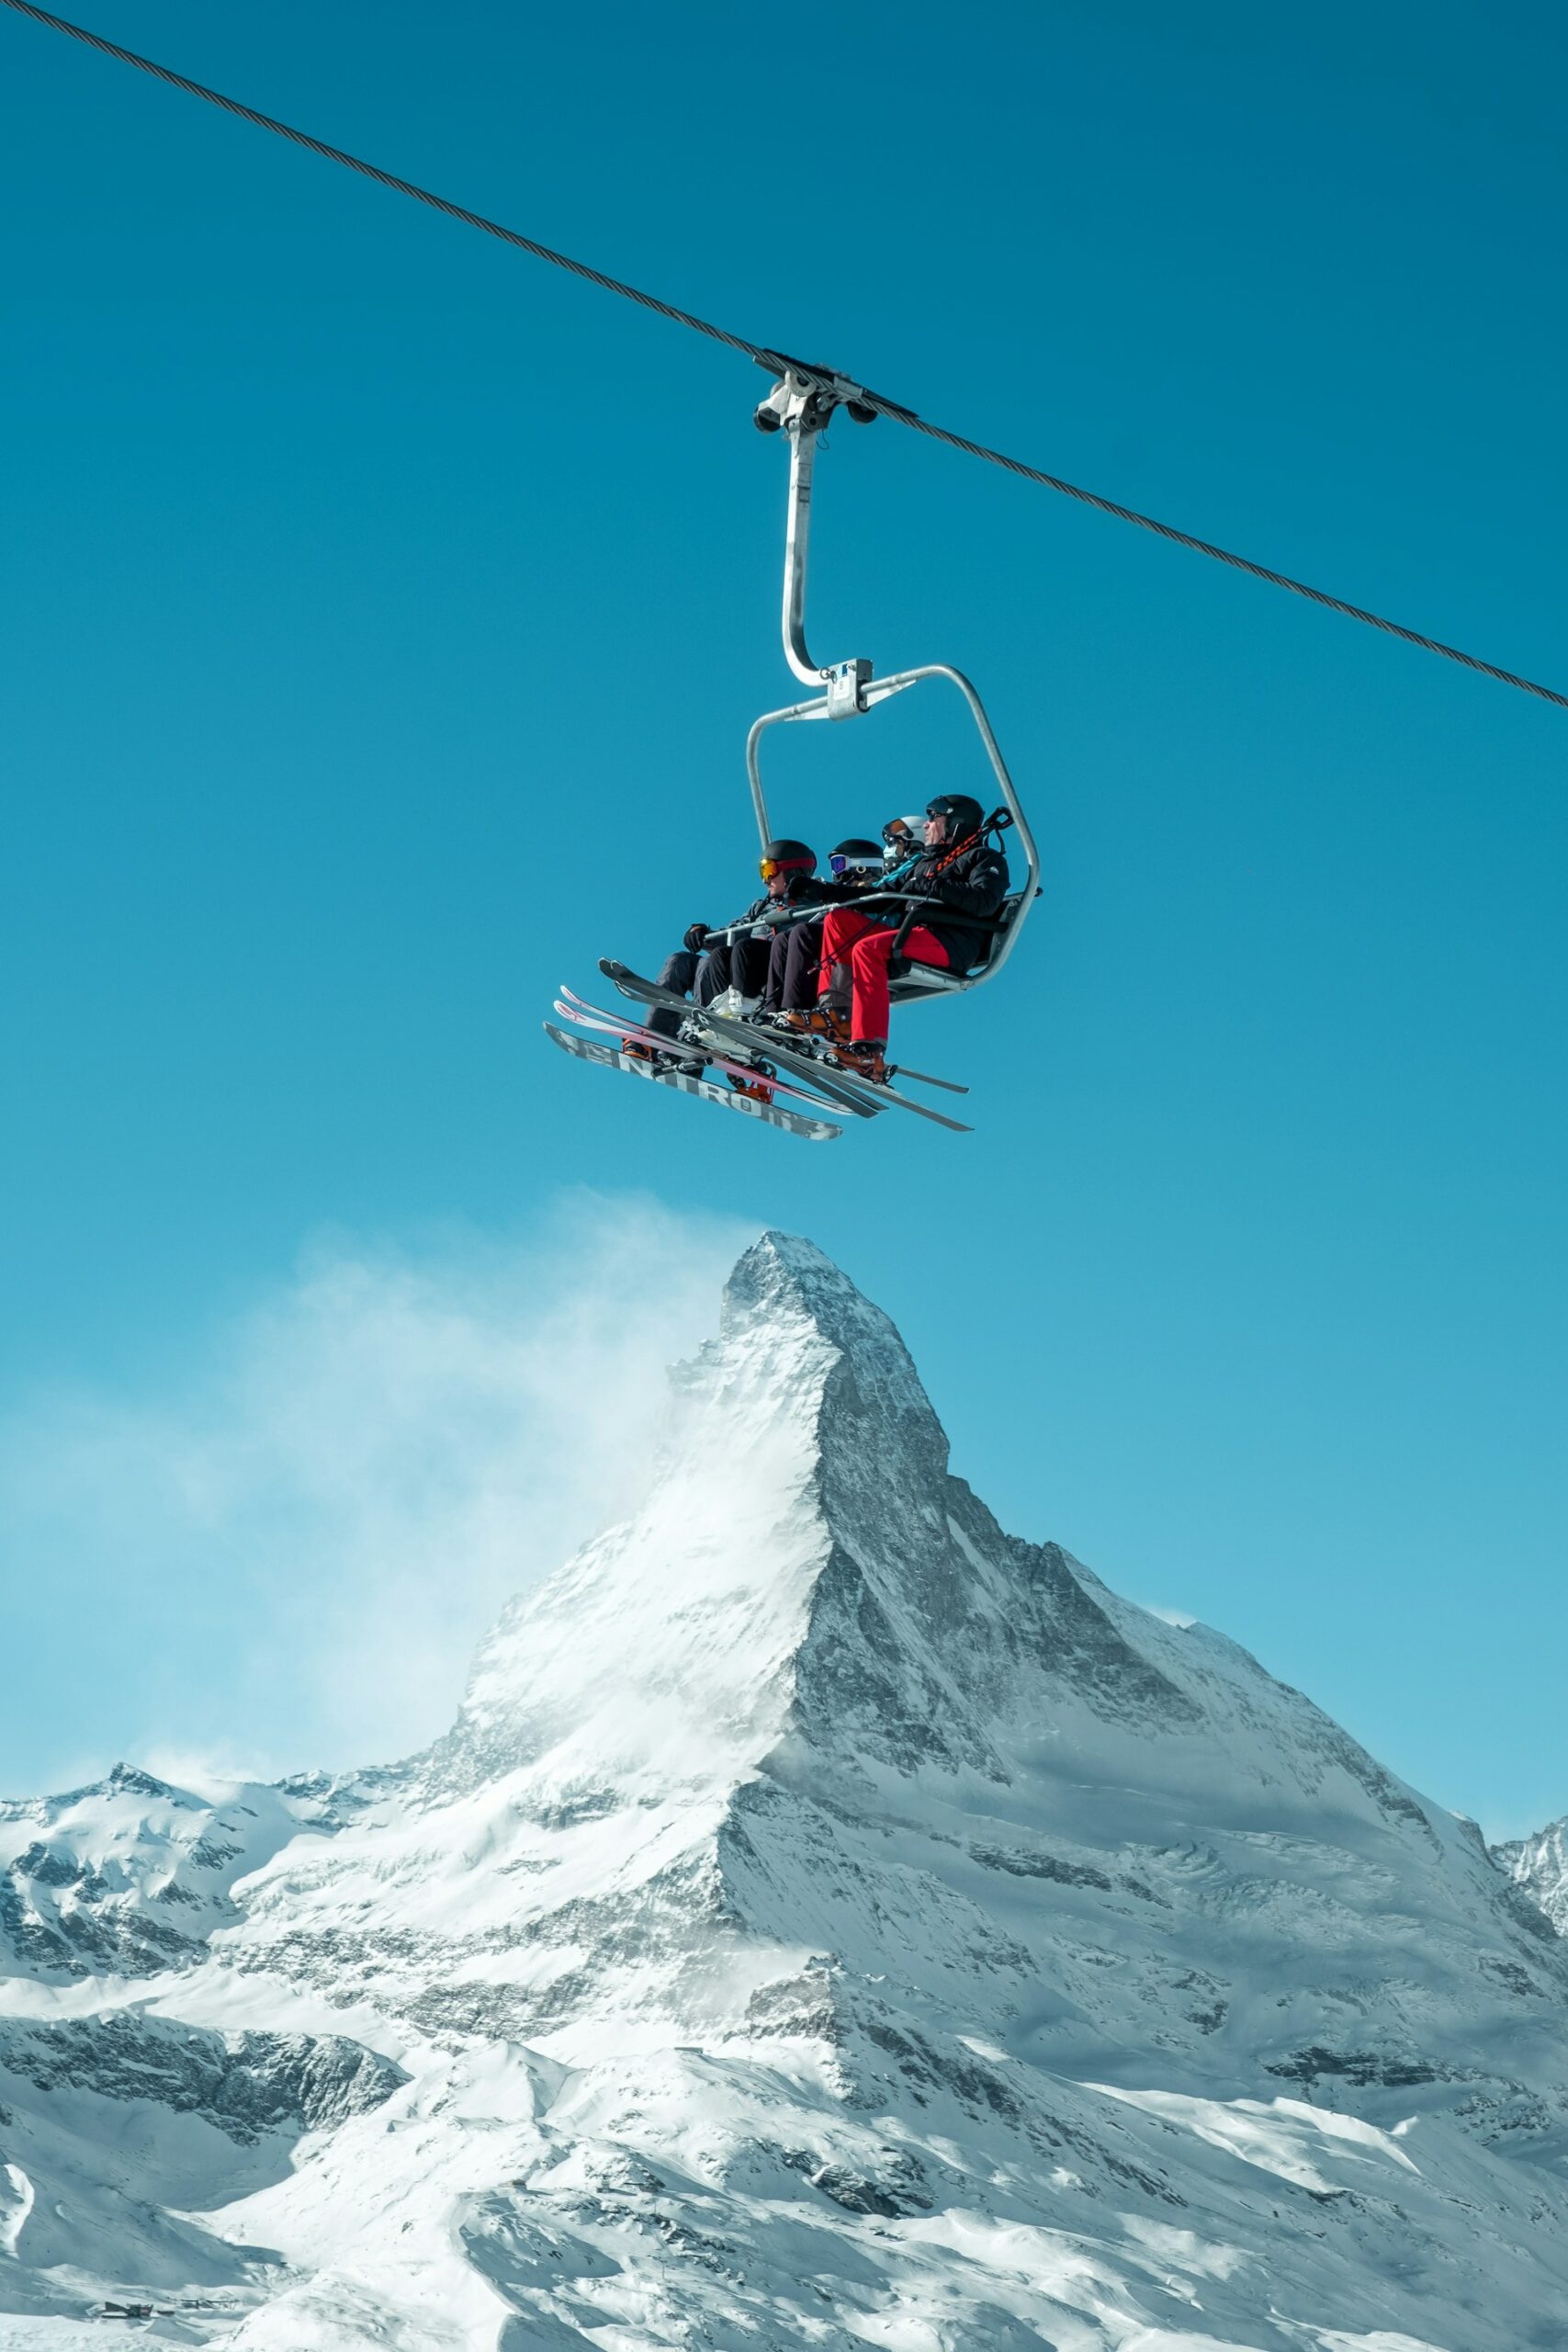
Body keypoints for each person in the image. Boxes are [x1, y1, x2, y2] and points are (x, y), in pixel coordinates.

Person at [816, 794, 1010, 1080]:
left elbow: (984, 901)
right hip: (914, 934)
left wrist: (932, 887)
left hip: (949, 941)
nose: (927, 825)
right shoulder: (926, 863)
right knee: (838, 921)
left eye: (934, 818)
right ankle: (837, 1016)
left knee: (868, 949)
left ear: (955, 824)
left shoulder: (984, 858)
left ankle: (870, 1049)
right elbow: (880, 896)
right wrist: (826, 893)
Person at [633, 840, 822, 1046]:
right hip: (735, 972)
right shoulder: (761, 907)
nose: (765, 879)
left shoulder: (814, 909)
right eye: (762, 871)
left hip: (768, 979)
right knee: (679, 962)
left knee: (712, 961)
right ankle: (654, 1038)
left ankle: (705, 1029)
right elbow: (735, 931)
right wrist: (704, 934)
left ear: (794, 872)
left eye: (769, 870)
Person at [767, 838, 885, 1027]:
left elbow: (872, 907)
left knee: (803, 933)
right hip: (838, 937)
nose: (835, 871)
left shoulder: (877, 889)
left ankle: (798, 1009)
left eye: (839, 864)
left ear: (861, 866)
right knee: (782, 939)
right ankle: (772, 1010)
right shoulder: (839, 891)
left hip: (861, 939)